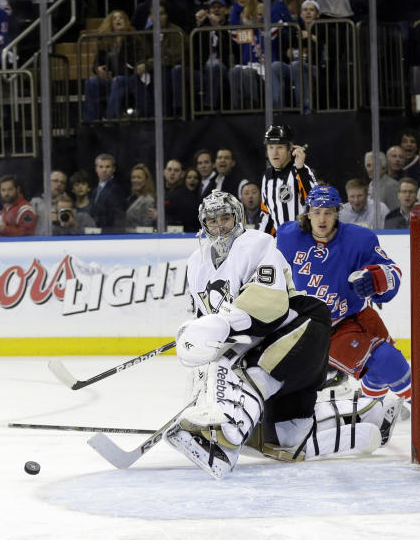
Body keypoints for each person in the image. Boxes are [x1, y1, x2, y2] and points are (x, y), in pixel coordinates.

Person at [165, 191, 397, 479]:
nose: (219, 226)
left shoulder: (257, 245)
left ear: (237, 218)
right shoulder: (196, 263)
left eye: (225, 218)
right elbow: (206, 322)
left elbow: (268, 305)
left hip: (298, 337)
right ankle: (373, 414)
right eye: (212, 221)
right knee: (290, 435)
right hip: (268, 359)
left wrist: (221, 325)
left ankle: (225, 436)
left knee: (242, 370)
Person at [276, 185, 420, 429]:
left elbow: (393, 272)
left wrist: (375, 280)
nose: (322, 218)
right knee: (386, 359)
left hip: (359, 314)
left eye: (328, 212)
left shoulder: (359, 239)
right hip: (321, 328)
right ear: (308, 213)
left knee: (380, 370)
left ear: (337, 213)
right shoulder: (289, 237)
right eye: (316, 212)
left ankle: (373, 414)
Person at [260, 124, 315, 231]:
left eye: (280, 147)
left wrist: (300, 168)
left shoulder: (301, 170)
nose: (274, 152)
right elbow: (266, 214)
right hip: (281, 242)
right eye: (271, 147)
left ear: (290, 148)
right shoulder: (266, 177)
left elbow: (314, 203)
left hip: (303, 238)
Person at [89, 153, 127, 232]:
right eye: (101, 167)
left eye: (107, 167)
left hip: (109, 234)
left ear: (113, 169)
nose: (104, 170)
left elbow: (118, 218)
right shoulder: (94, 191)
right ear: (96, 169)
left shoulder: (117, 189)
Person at [30, 169, 67, 236]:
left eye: (62, 182)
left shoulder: (69, 204)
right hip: (38, 242)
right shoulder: (35, 202)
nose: (59, 184)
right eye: (55, 181)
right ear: (46, 182)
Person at [125, 163, 156, 230]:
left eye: (139, 177)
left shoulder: (148, 201)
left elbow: (146, 229)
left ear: (146, 180)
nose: (135, 180)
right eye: (133, 177)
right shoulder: (131, 198)